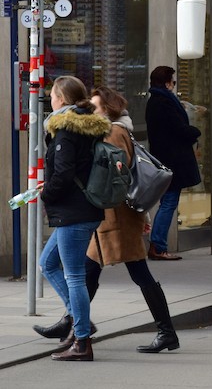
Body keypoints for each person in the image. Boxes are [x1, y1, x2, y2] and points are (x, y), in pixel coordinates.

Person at [86, 87, 180, 353]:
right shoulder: (112, 131)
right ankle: (73, 324)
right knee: (89, 273)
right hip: (111, 218)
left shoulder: (114, 132)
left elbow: (118, 175)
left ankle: (166, 332)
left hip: (118, 218)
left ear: (108, 108)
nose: (92, 110)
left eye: (95, 106)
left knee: (139, 273)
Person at [37, 76, 110, 362]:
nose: (50, 99)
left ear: (62, 99)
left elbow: (64, 173)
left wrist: (47, 194)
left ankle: (82, 341)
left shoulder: (66, 130)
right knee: (47, 263)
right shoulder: (88, 128)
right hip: (84, 210)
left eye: (52, 94)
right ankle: (82, 321)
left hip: (73, 212)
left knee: (74, 276)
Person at [145, 66, 201, 260]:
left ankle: (158, 245)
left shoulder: (157, 102)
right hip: (172, 160)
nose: (173, 85)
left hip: (166, 159)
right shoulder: (164, 103)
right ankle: (158, 246)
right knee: (168, 202)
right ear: (167, 82)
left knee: (167, 202)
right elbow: (178, 129)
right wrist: (194, 131)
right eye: (173, 81)